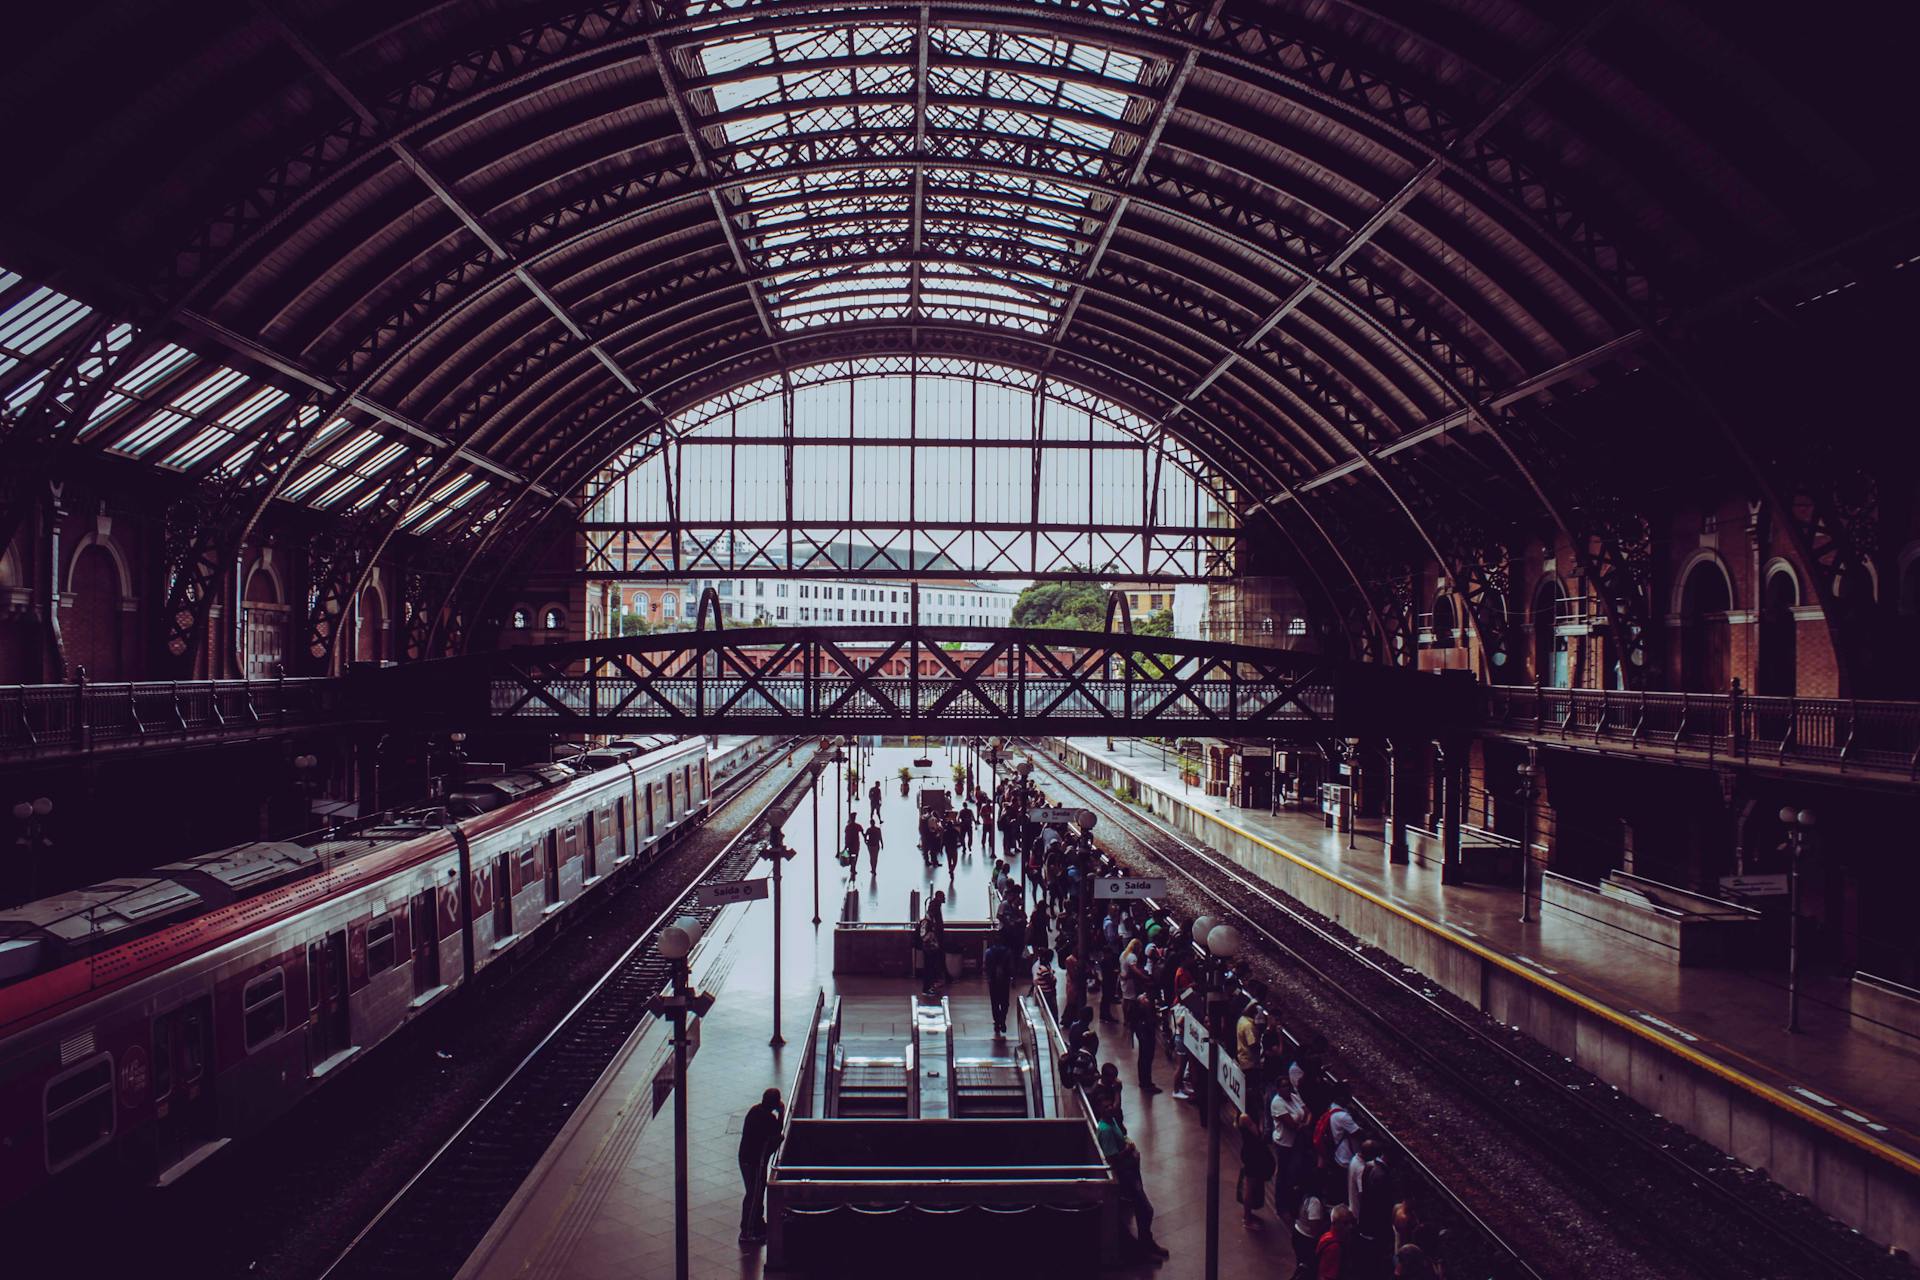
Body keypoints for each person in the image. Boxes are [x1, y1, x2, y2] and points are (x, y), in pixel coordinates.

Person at [738, 1087, 784, 1243]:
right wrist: (782, 1113)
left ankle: (756, 1225)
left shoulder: (754, 1111)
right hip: (755, 1161)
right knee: (755, 1194)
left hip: (745, 1158)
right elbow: (778, 1131)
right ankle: (748, 1231)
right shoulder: (768, 1119)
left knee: (754, 1192)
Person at [1126, 991, 1160, 1092]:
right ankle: (1146, 1083)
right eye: (1144, 998)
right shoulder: (1142, 1019)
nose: (1147, 999)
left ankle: (1146, 1081)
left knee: (1145, 1059)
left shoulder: (1143, 1014)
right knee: (1145, 1059)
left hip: (1146, 1036)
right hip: (1146, 1038)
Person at [1290, 1196, 1327, 1277]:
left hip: (1298, 1234)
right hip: (1305, 1240)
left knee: (1302, 1267)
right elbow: (1314, 1228)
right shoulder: (1315, 1202)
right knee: (1307, 1271)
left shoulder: (1307, 1196)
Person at [984, 936, 1013, 1035]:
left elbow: (986, 966)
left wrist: (988, 977)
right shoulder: (1008, 952)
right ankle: (1003, 1021)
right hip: (1005, 981)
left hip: (993, 981)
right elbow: (1010, 967)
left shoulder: (988, 952)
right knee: (1005, 1002)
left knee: (995, 1003)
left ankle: (997, 1022)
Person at [1317, 1203, 1355, 1279]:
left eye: (1351, 1222)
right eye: (1345, 1223)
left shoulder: (1327, 1235)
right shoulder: (1334, 1247)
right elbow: (1327, 1277)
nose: (1350, 1226)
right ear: (1335, 1223)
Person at [919, 891, 946, 994]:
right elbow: (925, 934)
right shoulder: (929, 921)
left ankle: (930, 986)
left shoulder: (930, 914)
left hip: (931, 946)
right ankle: (927, 987)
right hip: (930, 947)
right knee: (929, 967)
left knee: (931, 966)